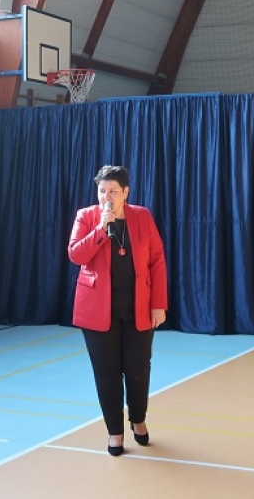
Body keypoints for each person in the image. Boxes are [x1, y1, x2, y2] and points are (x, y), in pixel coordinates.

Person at [67, 165, 168, 456]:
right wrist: (101, 229)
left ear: (125, 192)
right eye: (102, 191)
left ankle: (138, 419)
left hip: (138, 307)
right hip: (98, 309)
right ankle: (115, 431)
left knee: (138, 368)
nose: (106, 197)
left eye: (112, 191)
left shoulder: (142, 216)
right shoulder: (87, 217)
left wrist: (158, 304)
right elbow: (76, 255)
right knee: (107, 372)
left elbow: (157, 261)